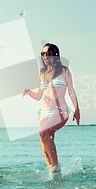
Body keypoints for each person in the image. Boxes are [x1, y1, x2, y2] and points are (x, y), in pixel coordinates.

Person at [22, 43, 80, 178]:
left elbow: (71, 91)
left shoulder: (64, 70)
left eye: (47, 53)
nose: (45, 56)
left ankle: (55, 169)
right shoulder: (42, 72)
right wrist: (29, 92)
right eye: (42, 54)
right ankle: (52, 172)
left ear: (55, 55)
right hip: (44, 111)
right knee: (44, 139)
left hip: (60, 110)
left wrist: (77, 109)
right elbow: (39, 96)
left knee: (43, 132)